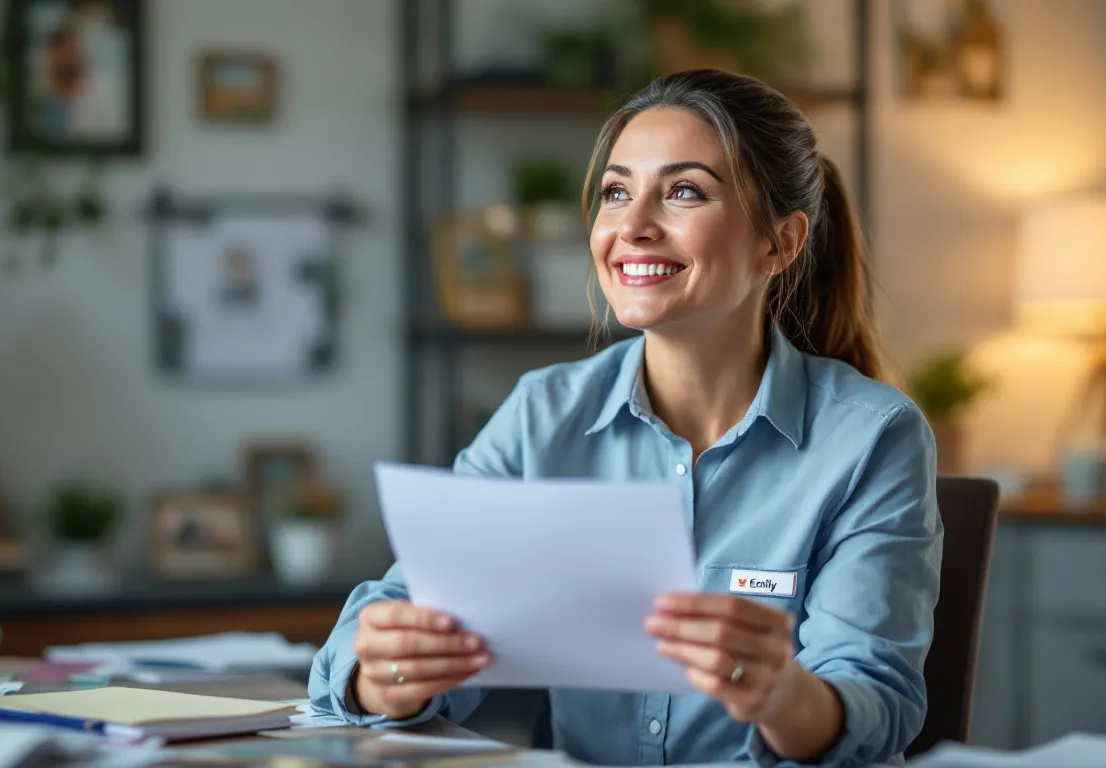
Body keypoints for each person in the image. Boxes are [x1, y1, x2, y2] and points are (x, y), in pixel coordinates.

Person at [308, 69, 942, 767]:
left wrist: (780, 694)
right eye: (616, 193)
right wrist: (387, 673)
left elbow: (876, 709)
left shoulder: (872, 436)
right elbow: (386, 633)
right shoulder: (540, 415)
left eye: (684, 192)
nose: (633, 227)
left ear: (780, 243)